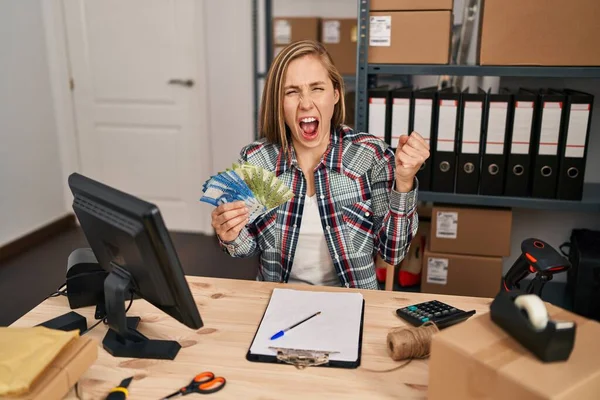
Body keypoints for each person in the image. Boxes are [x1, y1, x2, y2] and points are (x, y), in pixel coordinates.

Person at [211, 40, 430, 290]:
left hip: (353, 301)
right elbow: (246, 248)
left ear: (335, 94)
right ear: (278, 103)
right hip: (276, 301)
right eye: (291, 92)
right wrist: (231, 235)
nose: (305, 103)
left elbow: (393, 252)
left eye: (317, 88)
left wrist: (403, 182)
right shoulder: (257, 160)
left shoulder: (370, 155)